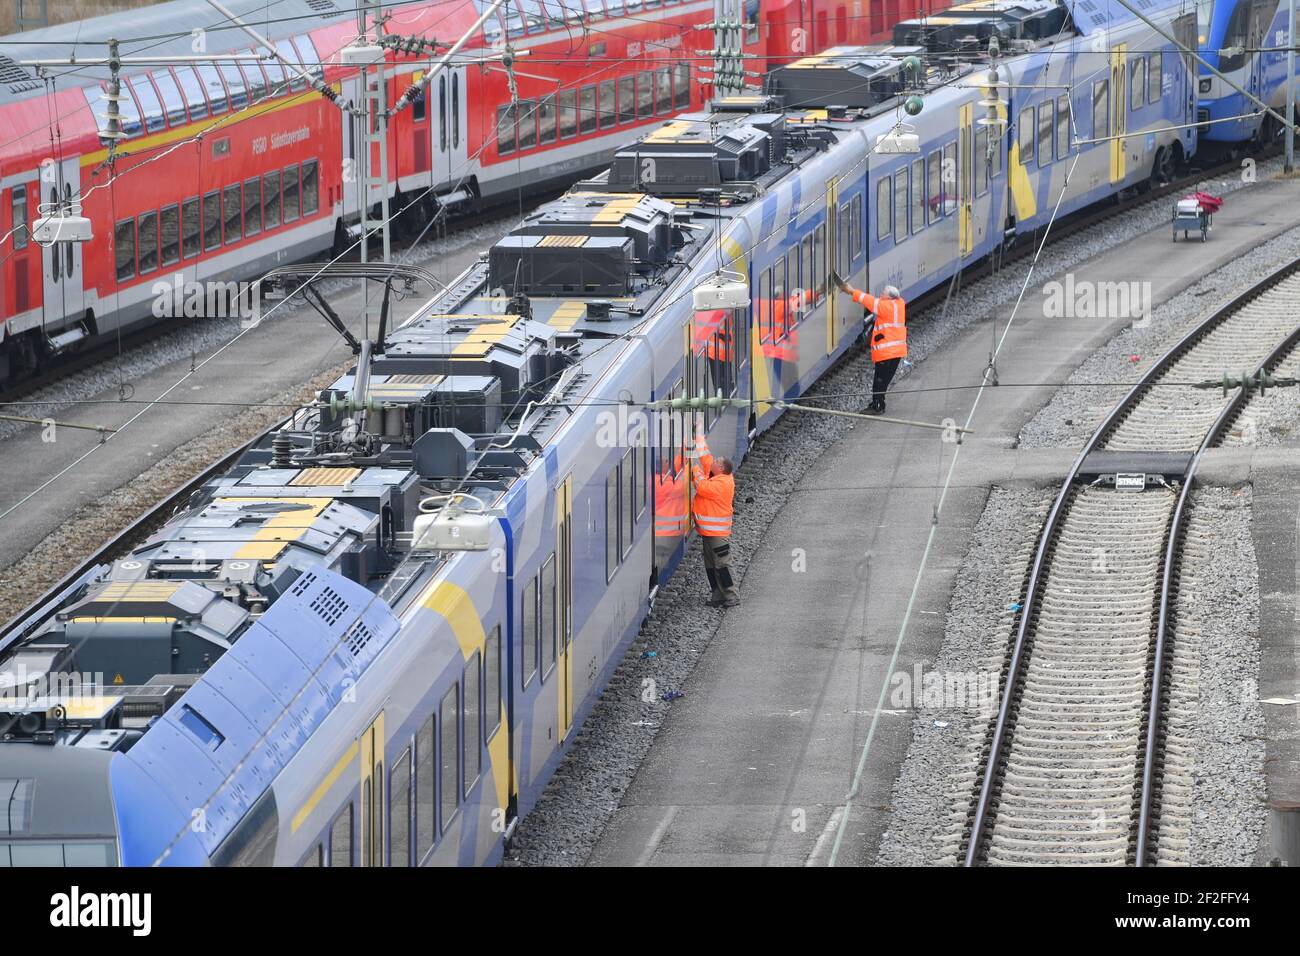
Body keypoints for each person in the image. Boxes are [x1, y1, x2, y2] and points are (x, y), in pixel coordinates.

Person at [832, 273, 908, 414]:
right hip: (898, 351)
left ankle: (877, 406)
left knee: (879, 380)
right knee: (885, 380)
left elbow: (867, 300)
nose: (881, 294)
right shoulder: (899, 304)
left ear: (889, 297)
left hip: (886, 353)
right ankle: (880, 403)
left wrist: (850, 290)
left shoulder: (885, 306)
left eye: (883, 293)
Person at [691, 434, 739, 608]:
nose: (713, 461)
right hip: (708, 533)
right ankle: (717, 594)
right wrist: (698, 436)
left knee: (723, 565)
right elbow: (705, 456)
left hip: (717, 535)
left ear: (720, 467)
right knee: (711, 566)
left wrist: (694, 470)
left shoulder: (722, 484)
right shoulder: (717, 476)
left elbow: (702, 487)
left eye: (716, 461)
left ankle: (732, 596)